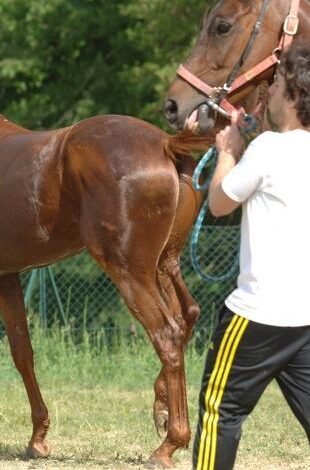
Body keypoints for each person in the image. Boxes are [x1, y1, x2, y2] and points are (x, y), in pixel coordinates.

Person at [192, 43, 310, 470]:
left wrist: (228, 149)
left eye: (276, 83)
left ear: (294, 95)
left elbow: (220, 202)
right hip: (305, 319)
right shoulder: (282, 149)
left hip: (256, 318)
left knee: (219, 411)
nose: (270, 91)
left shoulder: (266, 152)